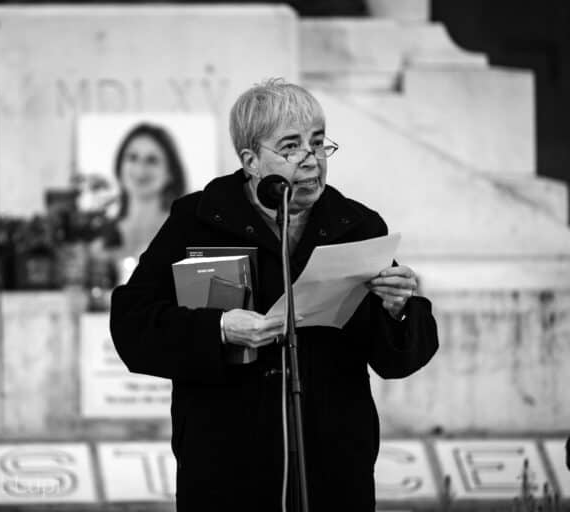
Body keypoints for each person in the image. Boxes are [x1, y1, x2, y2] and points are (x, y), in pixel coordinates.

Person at [109, 79, 439, 511]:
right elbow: (132, 323)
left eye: (318, 143)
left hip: (333, 465)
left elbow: (398, 361)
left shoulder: (356, 225)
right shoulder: (197, 220)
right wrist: (219, 329)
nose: (311, 159)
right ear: (250, 160)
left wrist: (398, 310)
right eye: (291, 147)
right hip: (226, 464)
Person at [101, 122, 187, 262]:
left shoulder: (185, 232)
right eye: (132, 157)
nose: (140, 168)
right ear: (119, 166)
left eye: (152, 160)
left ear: (171, 173)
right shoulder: (99, 236)